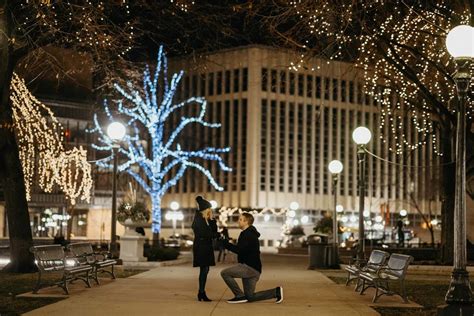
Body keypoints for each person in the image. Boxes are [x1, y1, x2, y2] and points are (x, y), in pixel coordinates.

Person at [220, 212, 283, 304]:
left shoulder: (247, 234)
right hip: (254, 269)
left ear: (246, 222)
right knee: (250, 297)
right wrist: (227, 243)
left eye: (241, 219)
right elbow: (242, 249)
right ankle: (275, 292)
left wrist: (225, 244)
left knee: (225, 273)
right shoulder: (248, 233)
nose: (238, 221)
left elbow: (239, 250)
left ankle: (239, 295)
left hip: (249, 267)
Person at [192, 196, 219, 302]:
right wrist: (216, 234)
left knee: (205, 270)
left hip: (205, 247)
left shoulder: (205, 220)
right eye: (209, 210)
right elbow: (205, 234)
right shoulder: (199, 220)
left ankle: (201, 292)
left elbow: (211, 232)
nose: (210, 211)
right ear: (205, 209)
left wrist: (212, 221)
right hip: (201, 247)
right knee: (204, 270)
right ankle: (201, 293)